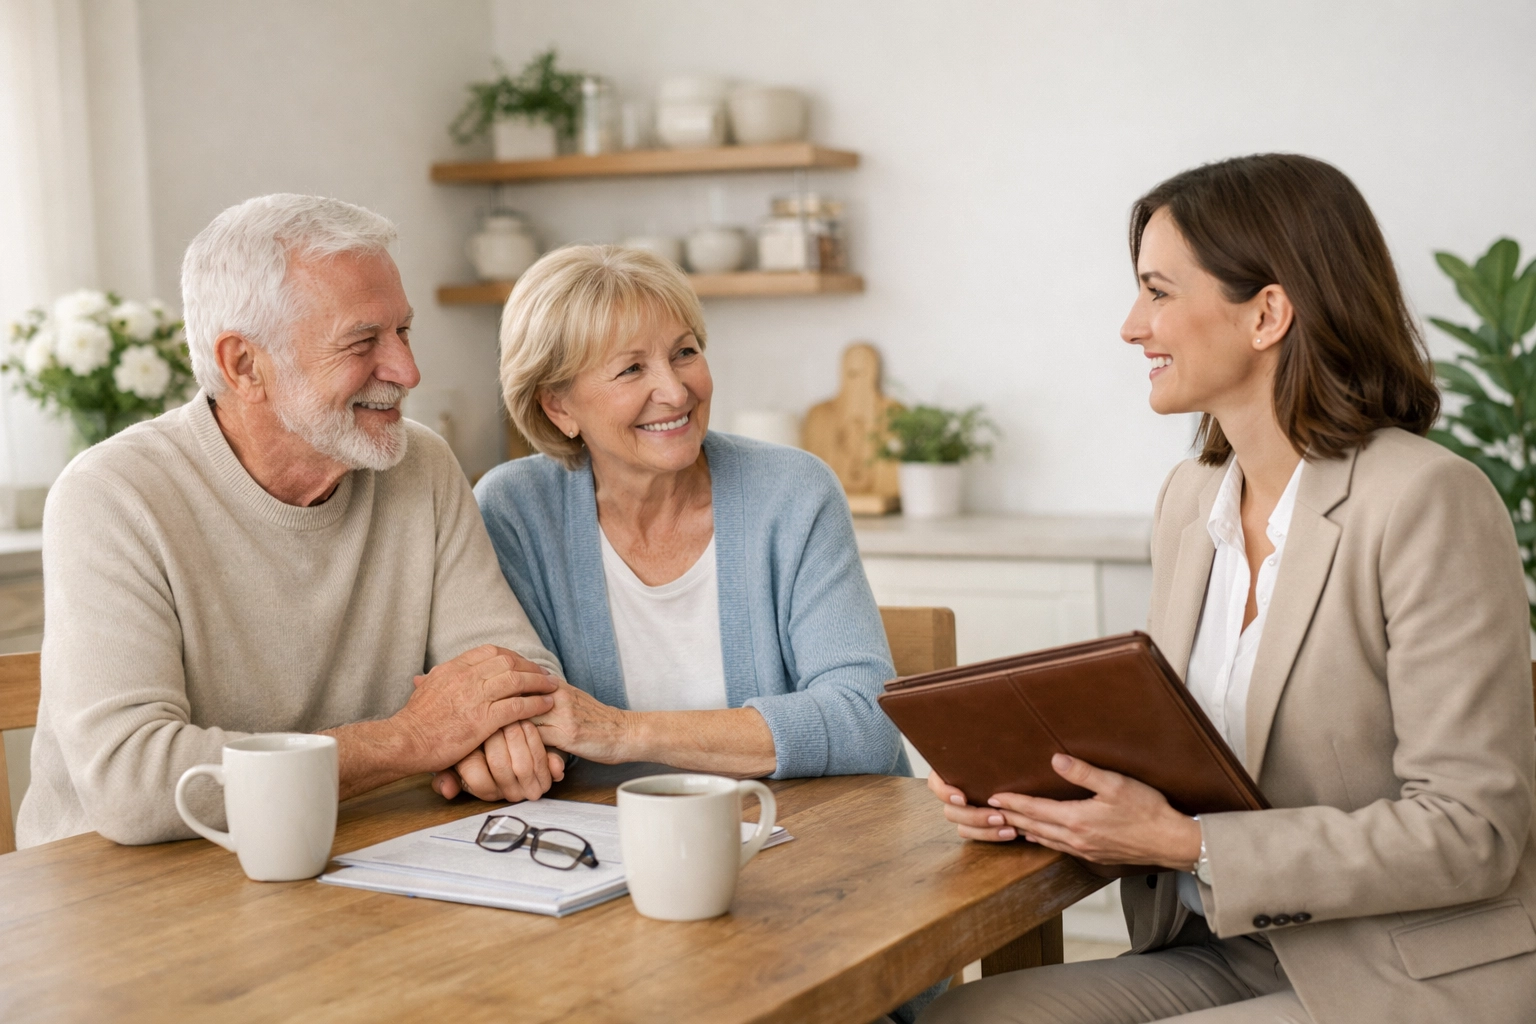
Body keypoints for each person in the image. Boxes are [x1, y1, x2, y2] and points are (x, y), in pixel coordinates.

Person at [921, 155, 1536, 1023]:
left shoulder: (1427, 501)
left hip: (1400, 968)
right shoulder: (1190, 501)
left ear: (1268, 314)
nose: (1133, 326)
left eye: (1159, 291)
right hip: (1226, 946)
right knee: (956, 1017)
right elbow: (1176, 758)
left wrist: (1187, 842)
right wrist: (1033, 797)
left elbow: (1474, 831)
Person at [17, 194, 566, 848]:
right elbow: (135, 788)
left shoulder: (420, 465)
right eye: (363, 342)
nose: (407, 371)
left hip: (343, 858)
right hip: (120, 898)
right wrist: (410, 740)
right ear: (244, 365)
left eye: (404, 332)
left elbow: (519, 684)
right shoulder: (112, 495)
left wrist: (494, 737)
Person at [435, 244, 908, 803]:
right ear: (558, 408)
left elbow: (866, 720)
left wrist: (621, 732)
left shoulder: (792, 492)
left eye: (684, 352)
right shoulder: (514, 510)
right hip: (602, 853)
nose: (677, 391)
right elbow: (518, 726)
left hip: (818, 839)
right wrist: (491, 751)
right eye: (632, 368)